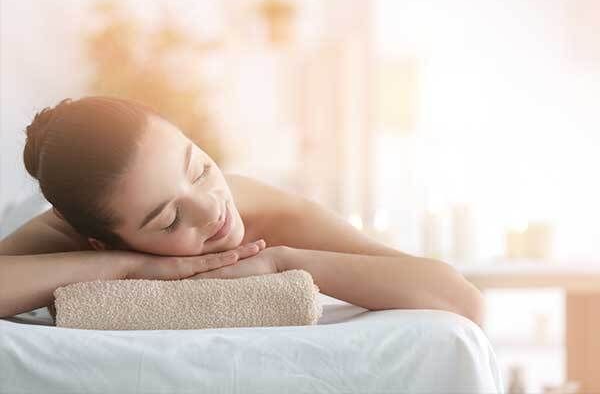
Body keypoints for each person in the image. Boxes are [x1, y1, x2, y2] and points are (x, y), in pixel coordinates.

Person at [0, 96, 484, 325]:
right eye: (169, 220)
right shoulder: (71, 229)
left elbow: (461, 298)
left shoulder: (269, 212)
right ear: (100, 242)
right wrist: (124, 267)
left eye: (199, 169)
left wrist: (285, 261)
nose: (212, 209)